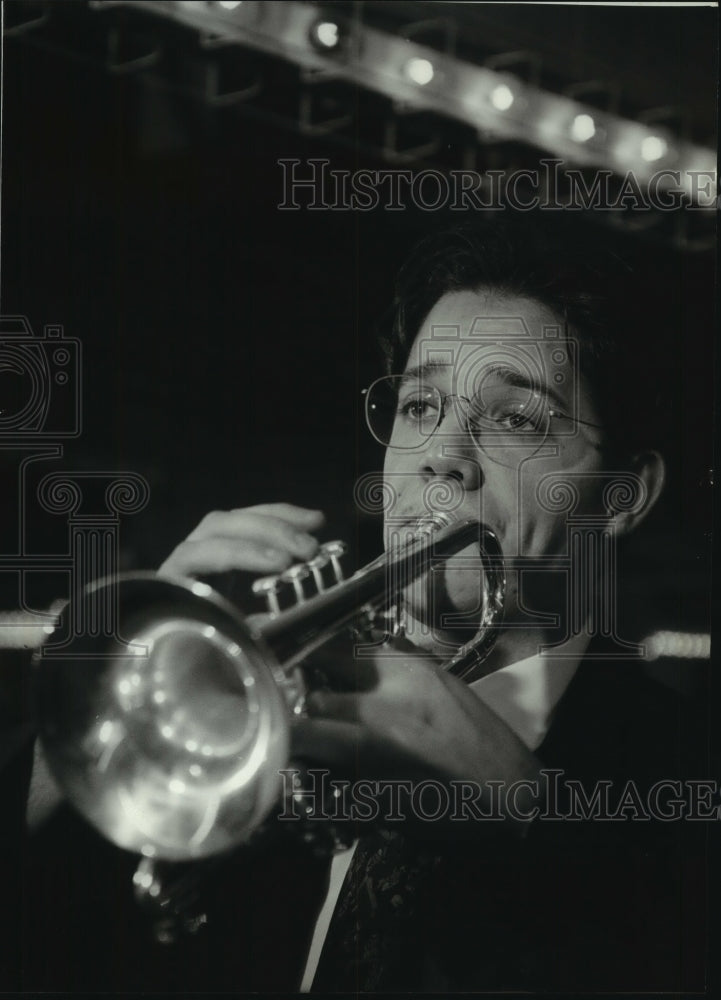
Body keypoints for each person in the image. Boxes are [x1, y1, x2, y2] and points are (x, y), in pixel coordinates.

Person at [12, 216, 709, 994]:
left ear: (623, 495)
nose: (442, 453)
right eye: (420, 406)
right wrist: (95, 732)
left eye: (514, 418)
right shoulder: (258, 728)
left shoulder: (684, 783)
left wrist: (520, 809)